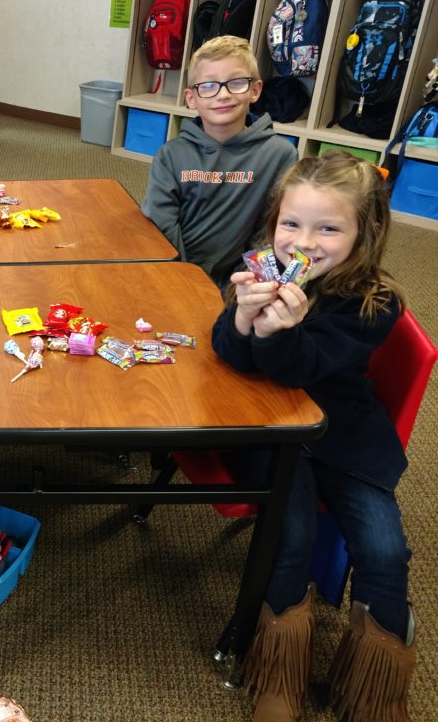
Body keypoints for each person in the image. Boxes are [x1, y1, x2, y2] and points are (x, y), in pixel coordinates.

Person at [211, 151, 415, 722]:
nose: (303, 243)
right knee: (290, 536)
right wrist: (242, 320)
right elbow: (229, 354)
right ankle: (279, 672)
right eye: (291, 224)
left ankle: (376, 689)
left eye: (328, 228)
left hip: (346, 438)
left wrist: (279, 333)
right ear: (273, 222)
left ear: (365, 233)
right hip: (274, 432)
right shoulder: (260, 272)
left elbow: (302, 366)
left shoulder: (375, 302)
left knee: (386, 551)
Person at [141, 36, 297, 289]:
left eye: (236, 83)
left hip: (239, 281)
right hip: (176, 272)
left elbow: (270, 230)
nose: (223, 95)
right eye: (208, 86)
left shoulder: (280, 155)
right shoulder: (170, 155)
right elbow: (161, 224)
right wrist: (185, 277)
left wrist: (244, 283)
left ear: (255, 90)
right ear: (191, 98)